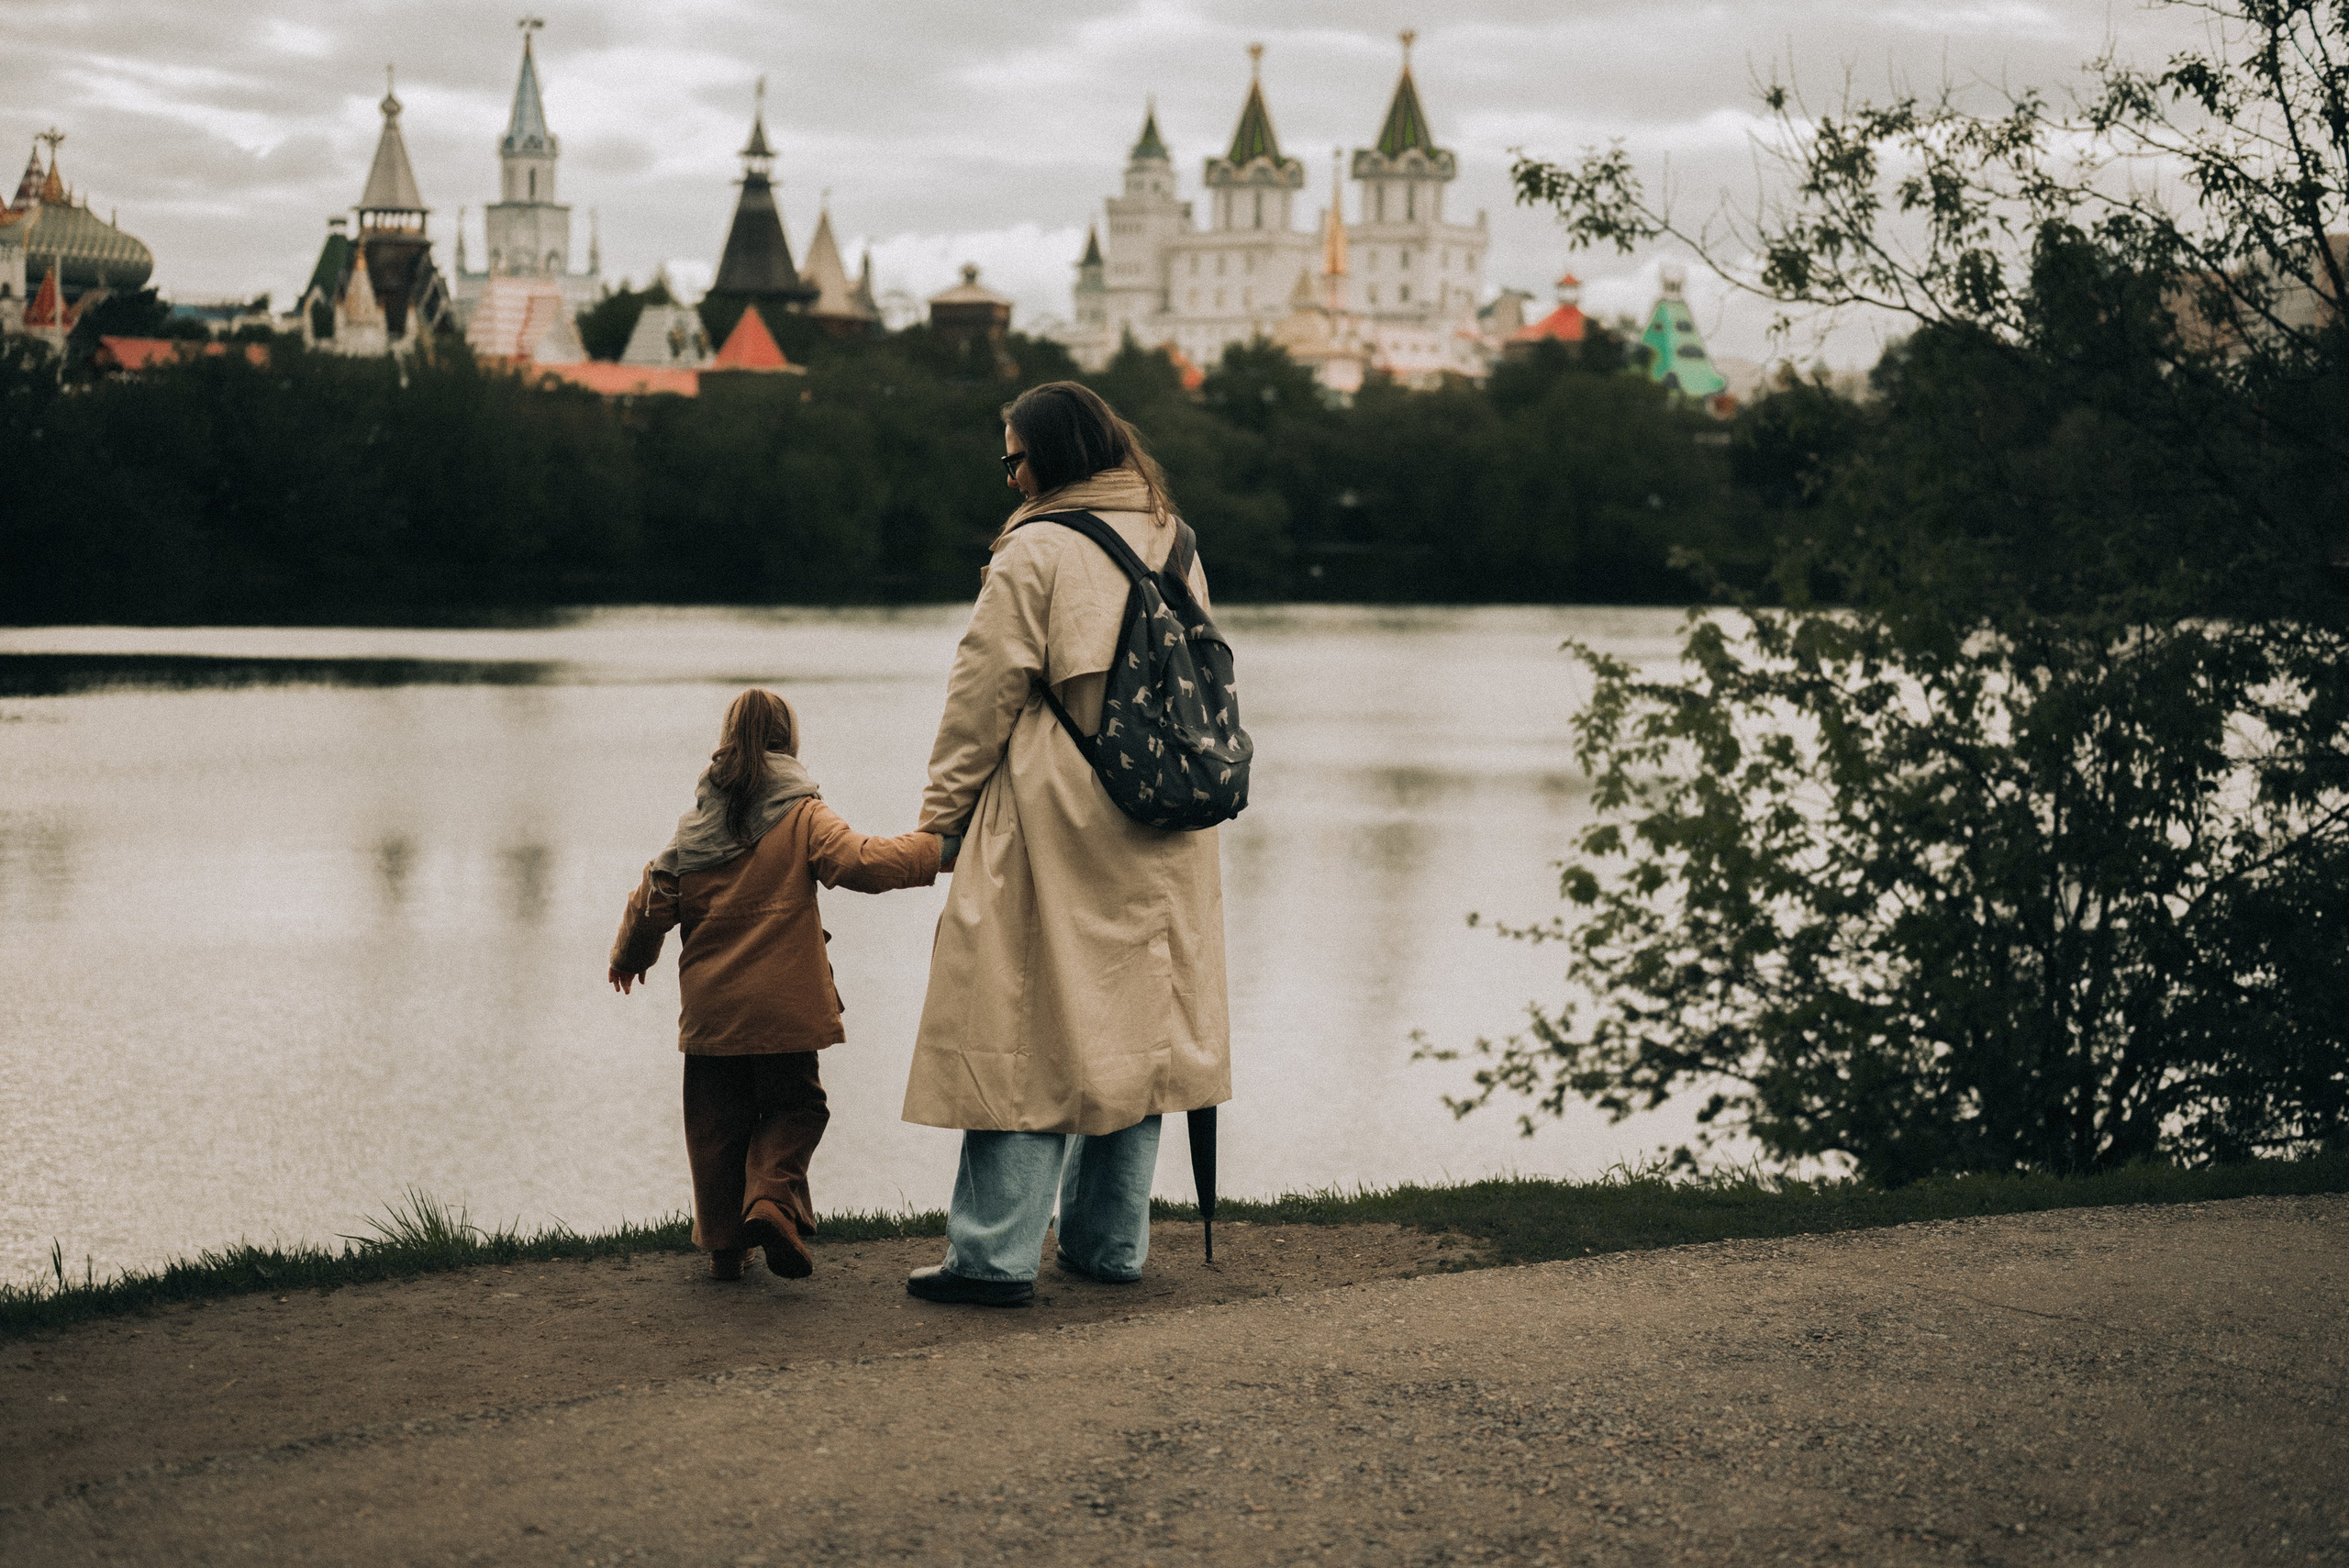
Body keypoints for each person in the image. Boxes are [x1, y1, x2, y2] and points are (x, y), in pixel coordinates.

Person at [901, 381, 1231, 1307]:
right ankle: (1108, 1241)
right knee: (1133, 1021)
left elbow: (981, 696)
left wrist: (939, 824)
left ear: (1050, 455)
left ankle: (993, 1255)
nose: (1007, 474)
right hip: (1162, 814)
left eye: (1013, 457)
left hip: (1057, 807)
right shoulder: (1174, 537)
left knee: (1022, 1015)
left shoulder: (1036, 548)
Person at [609, 688, 947, 1283]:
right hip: (784, 1007)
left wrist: (630, 955)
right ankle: (770, 1197)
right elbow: (859, 862)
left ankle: (724, 1248)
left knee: (716, 1125)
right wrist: (932, 851)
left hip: (712, 1014)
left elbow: (653, 896)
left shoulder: (695, 826)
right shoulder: (802, 813)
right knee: (796, 1105)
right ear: (789, 741)